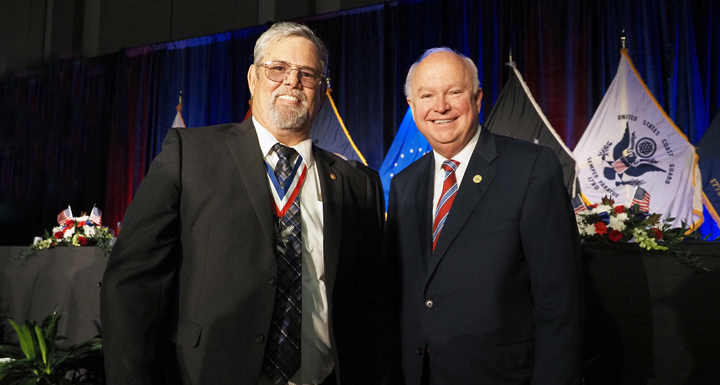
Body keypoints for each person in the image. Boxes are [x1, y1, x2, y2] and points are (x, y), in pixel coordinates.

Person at [100, 21, 397, 385]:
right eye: (278, 69)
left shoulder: (357, 184)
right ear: (253, 78)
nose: (292, 82)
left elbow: (371, 310)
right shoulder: (189, 155)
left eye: (307, 74)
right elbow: (132, 285)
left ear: (322, 90)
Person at [385, 47, 582, 385]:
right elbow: (400, 294)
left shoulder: (531, 168)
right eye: (427, 95)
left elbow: (560, 302)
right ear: (412, 107)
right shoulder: (403, 184)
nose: (441, 106)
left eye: (454, 92)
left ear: (477, 99)